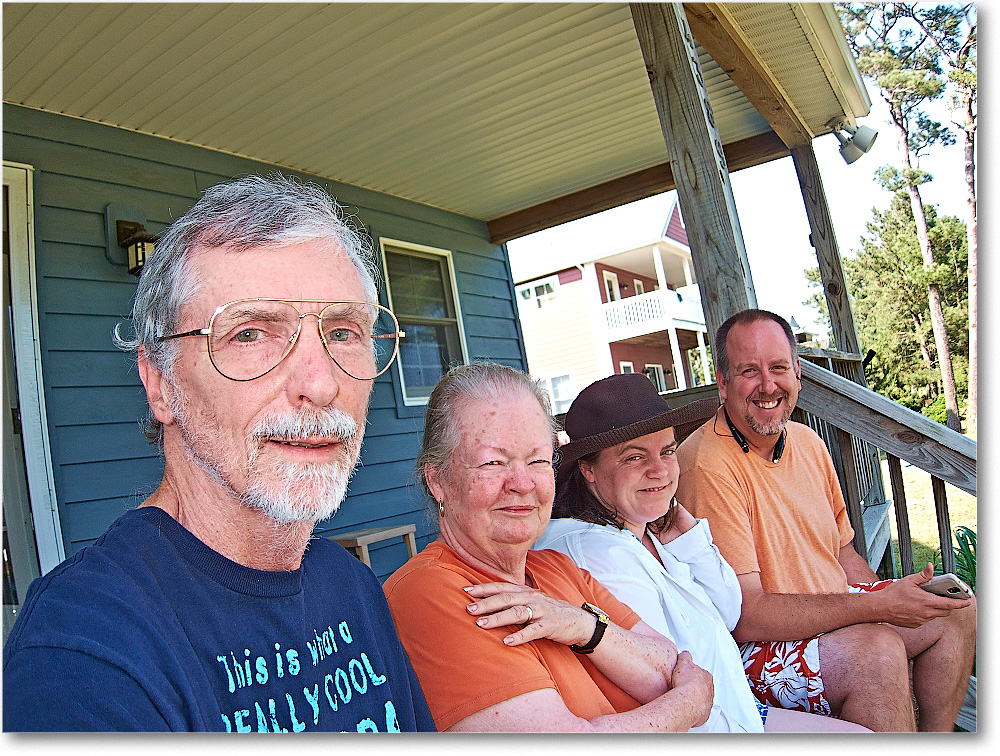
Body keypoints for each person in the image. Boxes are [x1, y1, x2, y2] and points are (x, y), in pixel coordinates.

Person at [2, 174, 434, 732]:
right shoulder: (85, 654)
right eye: (251, 333)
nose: (321, 383)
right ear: (160, 384)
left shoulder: (350, 587)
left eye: (344, 330)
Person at [675, 308, 976, 732]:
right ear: (723, 383)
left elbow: (841, 550)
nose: (767, 385)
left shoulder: (807, 441)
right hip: (754, 647)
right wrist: (874, 608)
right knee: (876, 652)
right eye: (748, 371)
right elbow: (747, 615)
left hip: (829, 610)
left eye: (779, 367)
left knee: (952, 610)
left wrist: (887, 600)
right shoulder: (707, 465)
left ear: (797, 372)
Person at [383, 363, 715, 732]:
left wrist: (585, 627)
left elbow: (666, 667)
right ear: (439, 481)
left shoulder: (557, 570)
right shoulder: (430, 592)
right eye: (493, 462)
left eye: (537, 460)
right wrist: (691, 702)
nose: (522, 483)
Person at [535, 373, 870, 733]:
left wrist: (688, 533)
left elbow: (728, 610)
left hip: (739, 712)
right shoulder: (597, 553)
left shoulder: (648, 530)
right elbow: (666, 676)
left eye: (667, 451)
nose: (659, 470)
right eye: (635, 457)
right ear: (588, 468)